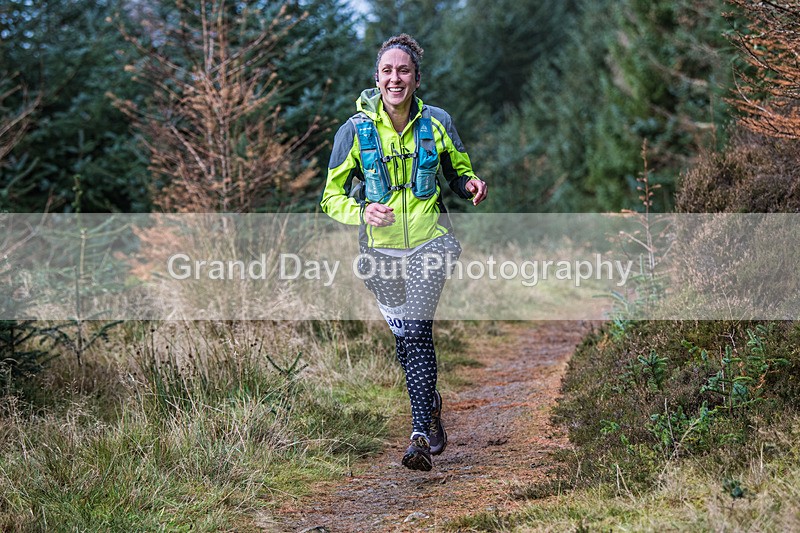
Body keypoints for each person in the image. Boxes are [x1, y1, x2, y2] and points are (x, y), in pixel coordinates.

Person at [320, 33, 487, 471]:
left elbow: (457, 171)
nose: (396, 78)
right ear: (377, 78)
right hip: (380, 255)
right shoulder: (353, 131)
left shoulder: (437, 122)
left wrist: (470, 184)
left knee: (415, 326)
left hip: (432, 242)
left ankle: (418, 433)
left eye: (404, 70)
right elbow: (330, 198)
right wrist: (362, 209)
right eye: (388, 71)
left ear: (416, 78)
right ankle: (429, 404)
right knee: (407, 337)